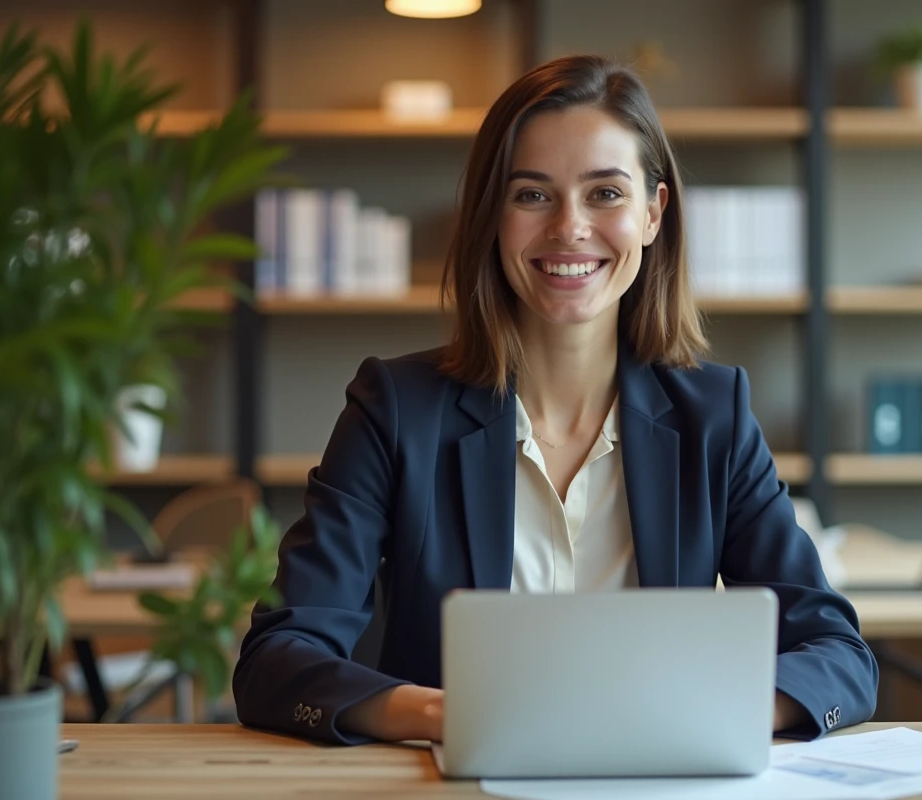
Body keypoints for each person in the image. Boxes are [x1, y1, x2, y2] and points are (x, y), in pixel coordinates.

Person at [233, 54, 878, 747]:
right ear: (492, 216)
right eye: (532, 195)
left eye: (605, 193)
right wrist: (449, 715)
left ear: (653, 214)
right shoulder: (394, 411)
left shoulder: (713, 416)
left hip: (657, 777)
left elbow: (840, 657)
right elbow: (277, 659)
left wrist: (716, 709)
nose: (569, 227)